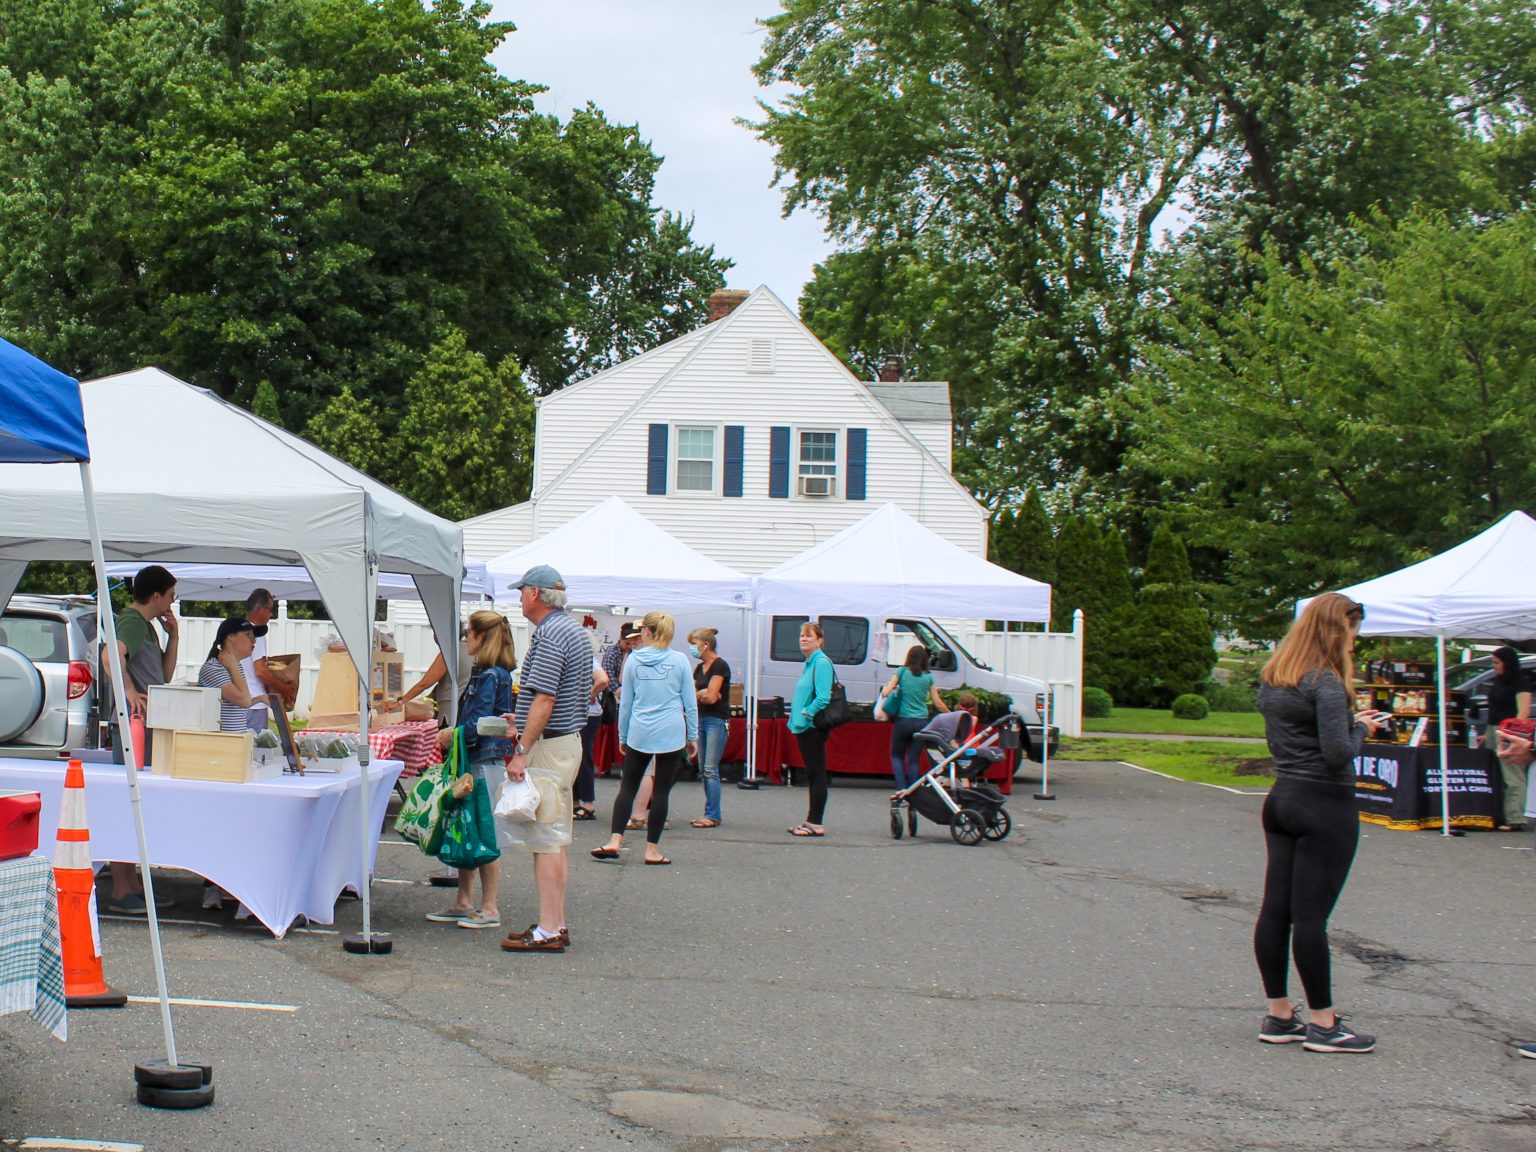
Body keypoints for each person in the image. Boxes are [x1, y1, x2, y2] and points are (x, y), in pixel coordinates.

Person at [1253, 593, 1389, 1054]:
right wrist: (1363, 728)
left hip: (1282, 797)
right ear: (1338, 629)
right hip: (1324, 802)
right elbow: (1338, 753)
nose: (1355, 641)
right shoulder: (1326, 682)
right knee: (1311, 917)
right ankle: (1325, 1024)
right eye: (1354, 631)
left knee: (1276, 910)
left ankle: (1279, 1014)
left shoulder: (1275, 678)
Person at [500, 566, 593, 953]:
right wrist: (521, 722)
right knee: (553, 837)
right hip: (563, 740)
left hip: (551, 747)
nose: (520, 598)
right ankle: (553, 922)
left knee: (547, 839)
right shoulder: (571, 629)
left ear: (536, 593)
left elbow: (545, 697)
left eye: (522, 591)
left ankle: (551, 928)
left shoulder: (552, 634)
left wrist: (522, 749)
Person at [426, 610, 514, 931]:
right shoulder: (488, 673)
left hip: (482, 762)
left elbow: (481, 724)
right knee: (467, 826)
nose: (466, 641)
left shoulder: (492, 676)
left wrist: (453, 734)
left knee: (484, 830)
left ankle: (488, 906)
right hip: (475, 759)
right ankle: (465, 901)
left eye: (469, 635)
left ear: (482, 637)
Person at [100, 564, 179, 915]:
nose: (173, 602)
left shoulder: (145, 625)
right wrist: (129, 690)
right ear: (157, 594)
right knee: (125, 798)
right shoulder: (131, 621)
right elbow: (109, 655)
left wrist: (174, 637)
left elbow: (162, 674)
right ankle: (121, 888)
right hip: (133, 723)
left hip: (145, 721)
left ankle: (132, 884)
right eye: (171, 595)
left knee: (136, 800)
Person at [591, 612, 698, 865]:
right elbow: (689, 702)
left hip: (640, 728)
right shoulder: (680, 660)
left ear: (647, 632)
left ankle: (615, 839)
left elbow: (626, 702)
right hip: (671, 729)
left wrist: (622, 735)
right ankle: (652, 849)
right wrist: (692, 734)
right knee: (661, 791)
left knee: (628, 785)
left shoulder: (634, 660)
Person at [878, 645, 948, 796]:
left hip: (902, 720)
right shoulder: (929, 677)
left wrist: (890, 690)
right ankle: (913, 791)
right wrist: (950, 713)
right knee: (913, 759)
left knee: (896, 755)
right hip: (921, 722)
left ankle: (901, 788)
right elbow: (938, 703)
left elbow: (886, 691)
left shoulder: (902, 672)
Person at [787, 621, 834, 838]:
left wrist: (806, 713)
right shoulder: (810, 662)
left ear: (820, 641)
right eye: (801, 635)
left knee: (816, 773)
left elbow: (824, 696)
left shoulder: (821, 662)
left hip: (812, 726)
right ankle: (811, 820)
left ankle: (815, 822)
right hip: (804, 726)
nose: (804, 639)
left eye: (809, 636)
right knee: (813, 773)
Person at [1484, 646, 1532, 831]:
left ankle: (1515, 817)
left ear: (1507, 663)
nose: (1494, 666)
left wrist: (1514, 733)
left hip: (1509, 730)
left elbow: (1524, 711)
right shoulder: (1499, 681)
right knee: (1496, 772)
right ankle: (1499, 813)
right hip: (1493, 728)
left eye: (1497, 663)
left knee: (1512, 774)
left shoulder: (1521, 682)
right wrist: (1486, 733)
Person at [688, 627, 730, 828]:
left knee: (710, 768)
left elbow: (712, 697)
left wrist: (703, 693)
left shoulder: (720, 666)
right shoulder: (699, 668)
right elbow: (690, 691)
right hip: (702, 718)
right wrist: (701, 693)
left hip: (716, 720)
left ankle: (712, 814)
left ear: (706, 645)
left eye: (694, 644)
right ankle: (710, 811)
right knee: (704, 768)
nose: (692, 648)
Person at [198, 616, 260, 733]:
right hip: (220, 745)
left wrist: (261, 698)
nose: (254, 640)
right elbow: (244, 701)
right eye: (249, 635)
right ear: (230, 637)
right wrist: (233, 667)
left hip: (233, 743)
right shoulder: (213, 668)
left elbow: (240, 702)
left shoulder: (235, 666)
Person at [575, 632, 611, 821]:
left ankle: (587, 803)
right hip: (583, 714)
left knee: (583, 757)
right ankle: (575, 803)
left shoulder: (588, 660)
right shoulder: (584, 659)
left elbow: (603, 680)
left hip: (587, 715)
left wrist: (589, 695)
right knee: (576, 757)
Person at [241, 588, 292, 719]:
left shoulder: (237, 629)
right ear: (260, 609)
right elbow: (260, 671)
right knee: (257, 740)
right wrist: (283, 688)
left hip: (239, 703)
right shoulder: (257, 633)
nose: (271, 614)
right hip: (256, 704)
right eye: (270, 609)